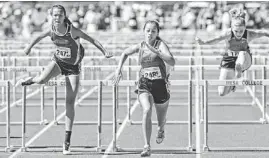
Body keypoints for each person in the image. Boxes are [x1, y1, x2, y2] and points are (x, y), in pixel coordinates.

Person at [16, 5, 112, 155]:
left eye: (59, 15)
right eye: (54, 15)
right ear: (51, 16)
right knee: (41, 80)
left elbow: (91, 39)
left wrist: (105, 51)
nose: (57, 17)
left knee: (69, 102)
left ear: (64, 16)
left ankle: (66, 142)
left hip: (73, 67)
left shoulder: (72, 30)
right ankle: (32, 79)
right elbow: (37, 36)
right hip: (58, 62)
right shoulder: (51, 29)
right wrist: (28, 48)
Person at [113, 20, 175, 157]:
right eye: (148, 30)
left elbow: (172, 61)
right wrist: (118, 69)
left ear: (157, 33)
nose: (150, 34)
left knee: (160, 120)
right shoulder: (140, 46)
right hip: (144, 84)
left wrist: (158, 53)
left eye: (153, 31)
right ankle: (147, 146)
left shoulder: (161, 45)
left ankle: (161, 129)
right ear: (143, 32)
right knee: (147, 109)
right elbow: (125, 53)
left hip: (160, 86)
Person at [195, 8, 269, 96]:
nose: (239, 34)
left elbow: (264, 32)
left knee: (241, 53)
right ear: (231, 28)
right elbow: (216, 40)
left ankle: (238, 70)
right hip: (229, 59)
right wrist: (204, 43)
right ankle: (232, 83)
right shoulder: (228, 34)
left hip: (244, 59)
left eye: (241, 31)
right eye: (236, 31)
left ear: (245, 28)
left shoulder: (249, 34)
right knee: (222, 92)